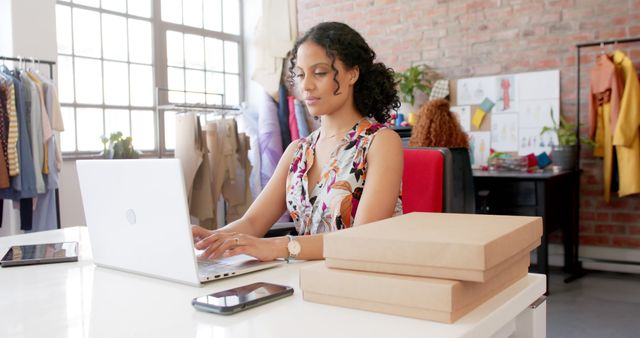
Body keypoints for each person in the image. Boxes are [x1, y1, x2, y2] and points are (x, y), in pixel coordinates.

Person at [192, 22, 403, 262]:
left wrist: (281, 246)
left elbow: (361, 241)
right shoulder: (298, 151)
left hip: (357, 283)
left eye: (320, 72)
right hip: (303, 281)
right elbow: (252, 222)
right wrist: (207, 239)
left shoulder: (381, 142)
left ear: (353, 74)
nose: (306, 85)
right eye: (301, 74)